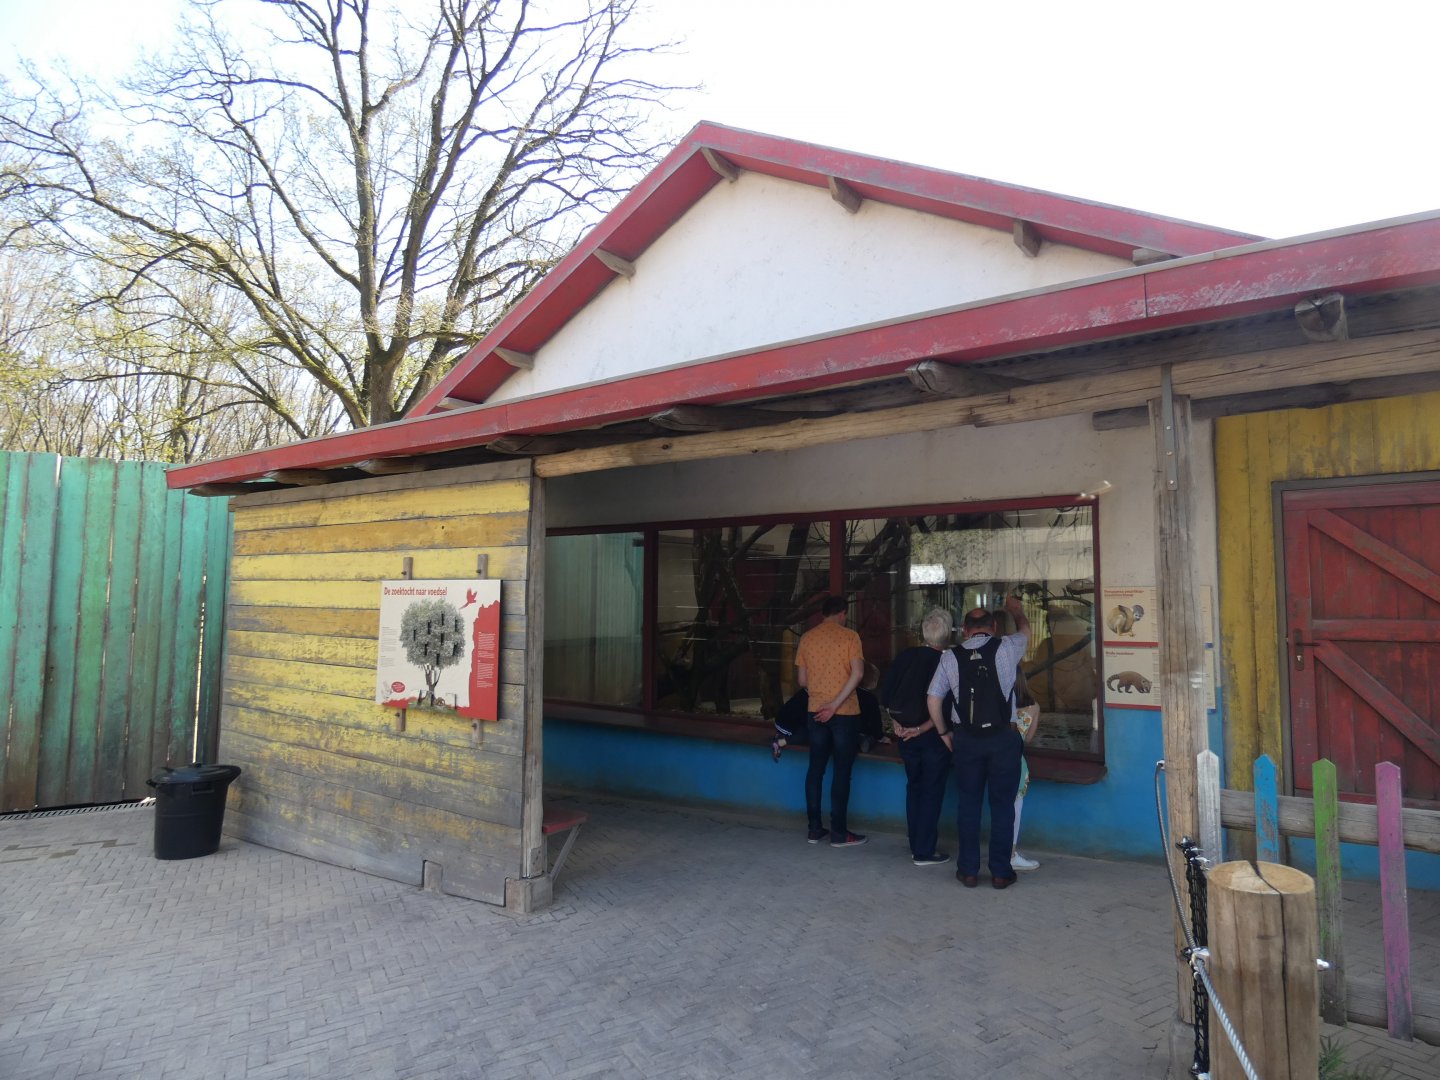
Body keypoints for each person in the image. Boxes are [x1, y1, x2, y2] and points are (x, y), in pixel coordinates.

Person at [927, 595, 1030, 889]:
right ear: (994, 627)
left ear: (964, 629)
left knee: (969, 805)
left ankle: (968, 870)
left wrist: (944, 733)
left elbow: (933, 698)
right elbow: (1026, 632)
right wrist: (1018, 612)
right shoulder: (1008, 647)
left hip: (967, 741)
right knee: (1002, 806)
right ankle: (1000, 872)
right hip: (1003, 739)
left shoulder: (950, 657)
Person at [879, 608, 954, 867]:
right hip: (934, 737)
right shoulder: (948, 663)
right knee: (932, 791)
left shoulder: (905, 656)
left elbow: (886, 694)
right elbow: (944, 707)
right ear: (947, 634)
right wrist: (922, 729)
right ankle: (924, 850)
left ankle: (915, 842)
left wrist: (897, 724)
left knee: (914, 787)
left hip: (906, 737)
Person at [795, 594, 868, 847]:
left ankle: (814, 829)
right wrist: (835, 705)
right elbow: (858, 674)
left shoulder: (807, 638)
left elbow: (802, 681)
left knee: (815, 770)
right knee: (842, 771)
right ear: (842, 613)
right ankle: (839, 832)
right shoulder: (850, 637)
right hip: (844, 713)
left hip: (815, 712)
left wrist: (823, 701)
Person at [1010, 657, 1042, 872]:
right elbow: (1029, 738)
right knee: (1016, 808)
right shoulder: (1034, 707)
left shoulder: (999, 702)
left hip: (994, 758)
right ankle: (1011, 853)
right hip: (1017, 759)